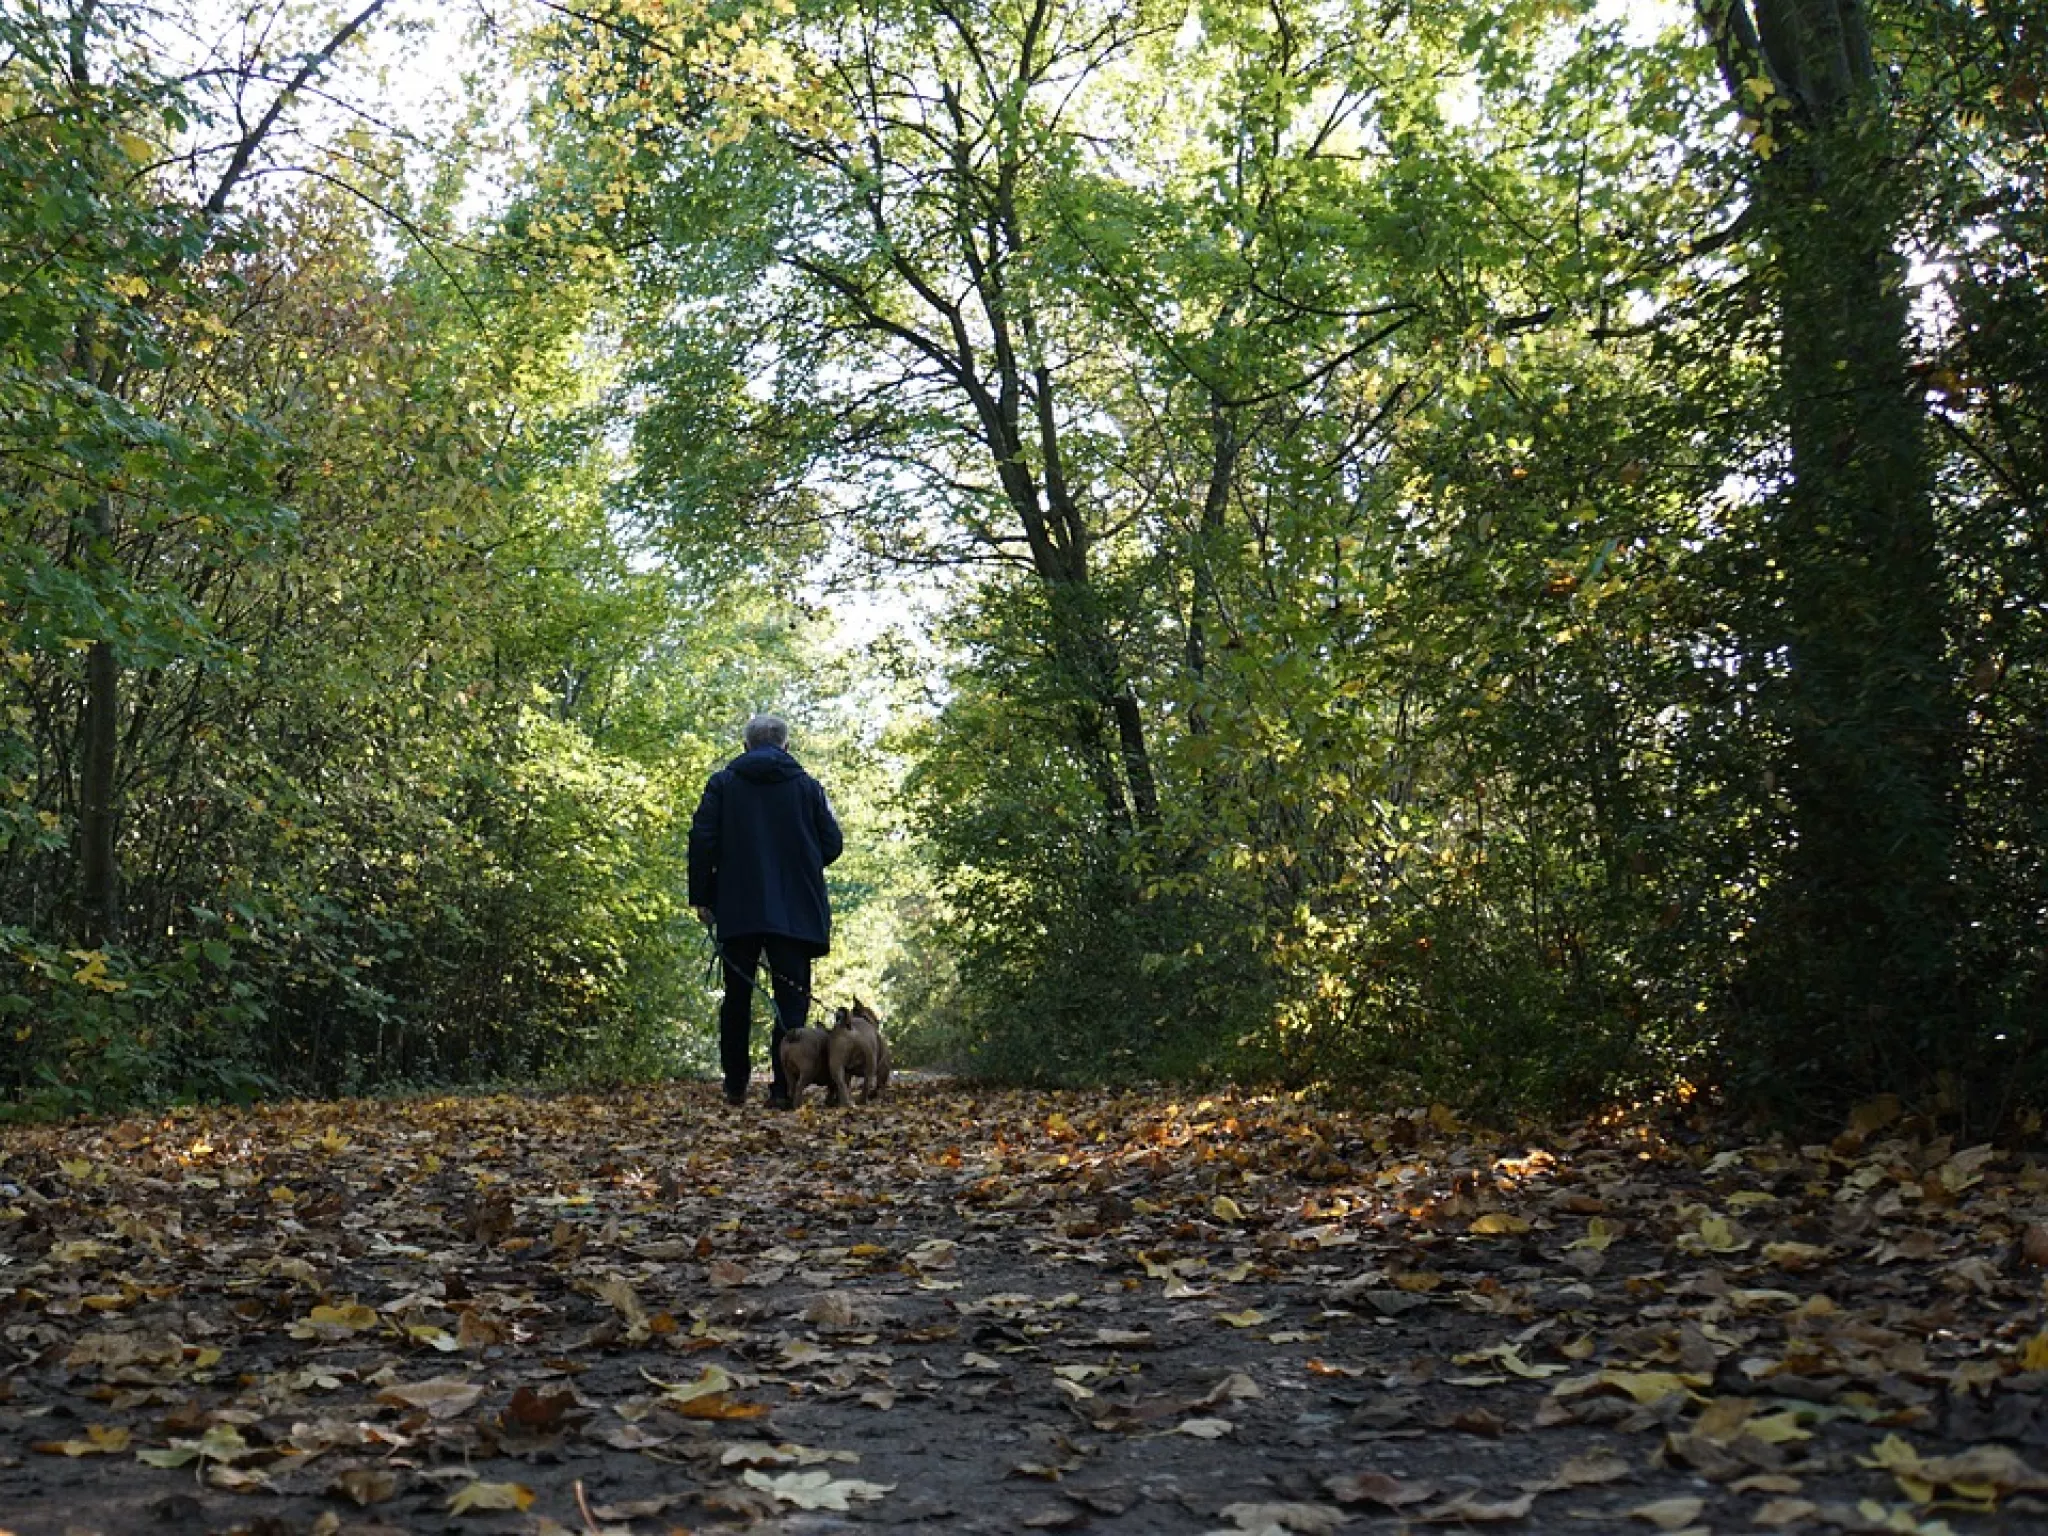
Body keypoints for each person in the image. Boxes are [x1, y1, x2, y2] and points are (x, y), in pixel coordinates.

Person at [688, 714, 843, 1108]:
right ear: (786, 746)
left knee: (737, 996)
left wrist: (703, 896)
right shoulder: (808, 788)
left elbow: (702, 839)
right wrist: (802, 863)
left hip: (737, 905)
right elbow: (833, 844)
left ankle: (735, 1085)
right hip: (796, 909)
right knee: (791, 1001)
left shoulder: (722, 784)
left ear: (746, 746)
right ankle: (782, 1089)